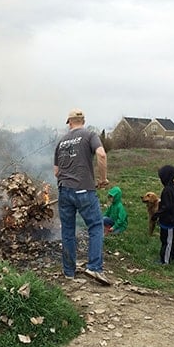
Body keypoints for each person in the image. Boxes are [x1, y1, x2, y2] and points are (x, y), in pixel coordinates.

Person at [54, 108, 110, 285]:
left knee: (67, 230)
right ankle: (94, 268)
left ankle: (69, 272)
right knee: (95, 226)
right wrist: (102, 179)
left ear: (69, 122)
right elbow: (101, 154)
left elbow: (56, 172)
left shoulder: (61, 141)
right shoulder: (90, 135)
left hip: (64, 190)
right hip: (84, 190)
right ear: (83, 121)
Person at [152, 165, 174, 264]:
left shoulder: (168, 190)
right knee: (165, 239)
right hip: (166, 220)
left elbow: (167, 207)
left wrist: (156, 214)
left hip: (170, 221)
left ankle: (165, 261)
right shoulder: (172, 187)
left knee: (168, 242)